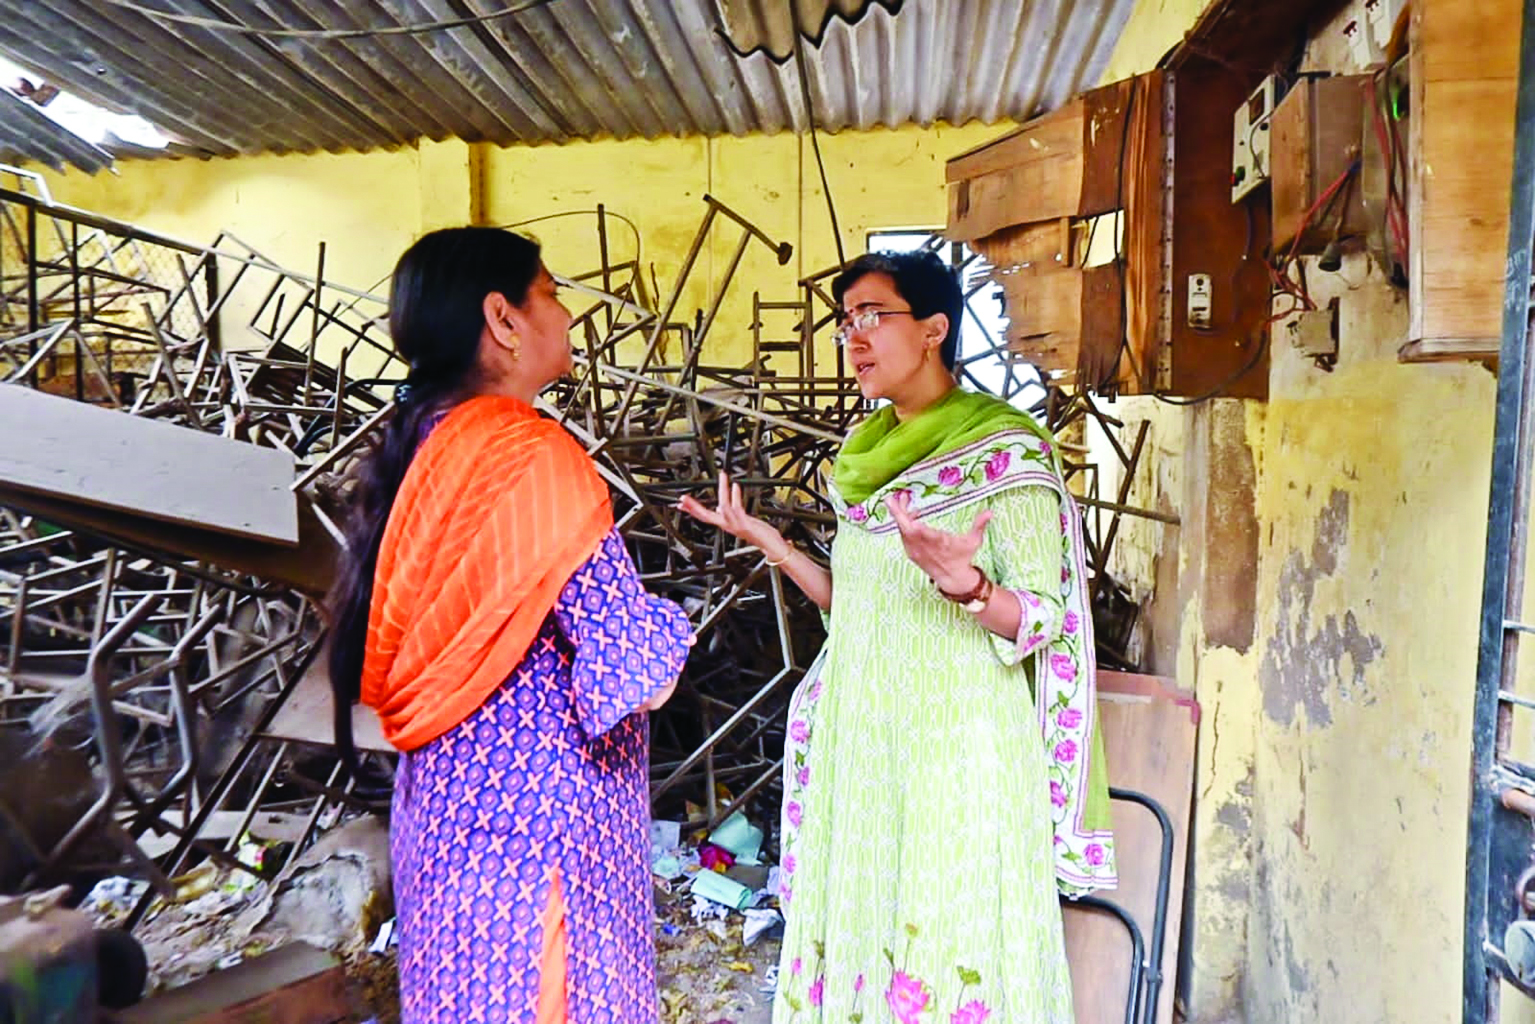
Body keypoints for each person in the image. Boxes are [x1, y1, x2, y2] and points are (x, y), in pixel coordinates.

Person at [680, 250, 1116, 1022]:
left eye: (873, 316)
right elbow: (854, 607)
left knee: (950, 944)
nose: (852, 337)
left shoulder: (1007, 454)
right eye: (846, 321)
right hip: (867, 749)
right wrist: (770, 543)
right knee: (871, 934)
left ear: (934, 329)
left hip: (958, 751)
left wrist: (970, 587)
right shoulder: (863, 458)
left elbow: (1046, 619)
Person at [326, 227, 693, 1024]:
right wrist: (675, 618)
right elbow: (633, 670)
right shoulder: (529, 457)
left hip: (444, 822)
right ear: (502, 319)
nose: (566, 316)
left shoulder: (419, 447)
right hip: (540, 834)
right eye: (552, 295)